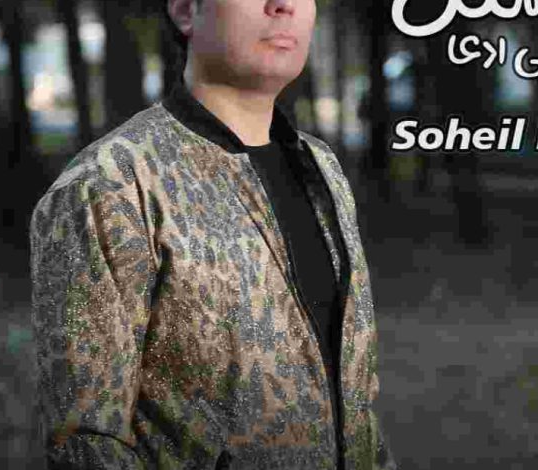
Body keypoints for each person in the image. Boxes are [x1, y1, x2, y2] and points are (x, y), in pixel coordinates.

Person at [29, 0, 396, 468]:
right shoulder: (110, 185)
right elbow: (86, 441)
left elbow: (357, 406)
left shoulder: (322, 169)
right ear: (185, 10)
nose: (283, 5)